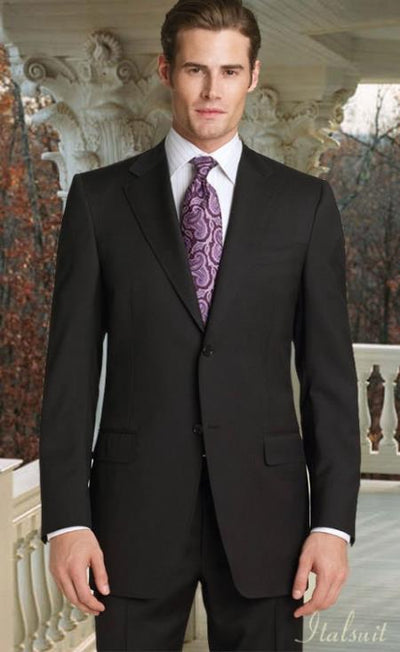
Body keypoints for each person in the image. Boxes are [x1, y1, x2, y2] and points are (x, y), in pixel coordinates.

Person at [39, 0, 361, 650]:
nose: (213, 91)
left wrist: (332, 525)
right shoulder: (100, 202)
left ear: (253, 75)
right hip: (132, 514)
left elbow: (329, 377)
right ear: (166, 71)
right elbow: (69, 374)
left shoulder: (304, 206)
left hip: (268, 516)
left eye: (229, 71)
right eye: (195, 70)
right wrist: (66, 520)